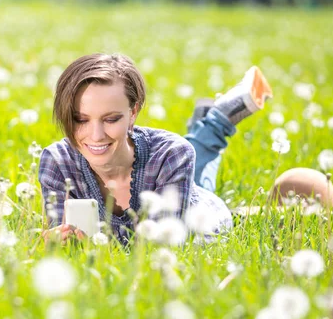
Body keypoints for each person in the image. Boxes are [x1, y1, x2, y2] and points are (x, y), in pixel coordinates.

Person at [38, 53, 273, 245]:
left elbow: (162, 249)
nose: (96, 135)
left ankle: (217, 121)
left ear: (133, 113)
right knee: (195, 173)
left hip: (204, 219)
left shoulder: (172, 153)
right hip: (167, 171)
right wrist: (56, 242)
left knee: (194, 175)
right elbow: (66, 248)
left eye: (111, 119)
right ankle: (213, 119)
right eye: (80, 119)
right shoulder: (57, 162)